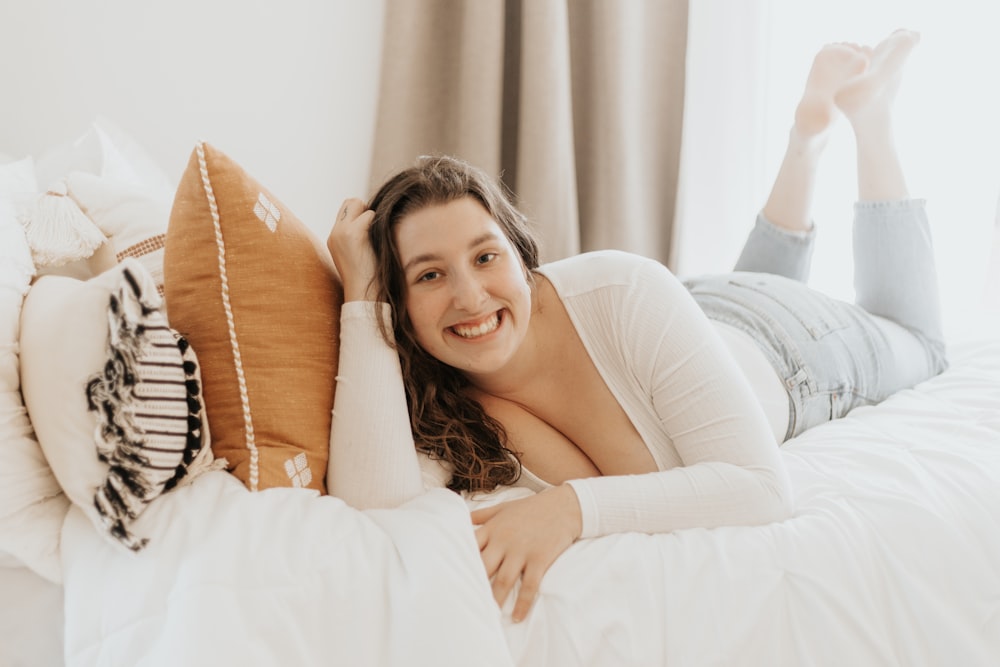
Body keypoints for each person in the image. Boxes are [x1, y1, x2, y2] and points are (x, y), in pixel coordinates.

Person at [325, 29, 946, 623]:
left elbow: (761, 489)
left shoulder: (622, 286)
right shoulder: (436, 397)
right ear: (399, 301)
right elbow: (372, 512)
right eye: (428, 276)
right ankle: (809, 138)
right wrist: (362, 295)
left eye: (486, 257)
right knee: (731, 297)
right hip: (697, 319)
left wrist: (570, 508)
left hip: (788, 351)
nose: (469, 295)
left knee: (922, 343)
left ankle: (868, 120)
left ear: (523, 256)